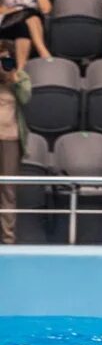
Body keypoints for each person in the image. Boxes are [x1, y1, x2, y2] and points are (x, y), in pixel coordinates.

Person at [0, 40, 32, 244]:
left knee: (8, 190)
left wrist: (11, 77)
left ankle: (8, 238)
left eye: (5, 58)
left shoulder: (19, 77)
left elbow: (26, 97)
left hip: (10, 139)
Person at [0, 0, 53, 70]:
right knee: (31, 13)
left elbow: (46, 9)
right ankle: (44, 54)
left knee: (28, 23)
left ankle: (20, 71)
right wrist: (17, 11)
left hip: (24, 28)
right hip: (5, 23)